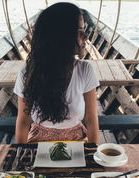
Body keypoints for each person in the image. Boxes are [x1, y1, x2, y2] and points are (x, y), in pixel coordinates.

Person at [14, 2, 99, 144]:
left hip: (76, 139)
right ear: (61, 36)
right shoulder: (27, 73)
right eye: (79, 31)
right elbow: (23, 121)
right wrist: (19, 155)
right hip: (38, 141)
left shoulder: (85, 70)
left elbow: (91, 119)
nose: (85, 37)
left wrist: (93, 153)